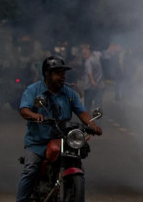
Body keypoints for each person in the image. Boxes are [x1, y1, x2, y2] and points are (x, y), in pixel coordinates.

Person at [16, 56, 102, 202]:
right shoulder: (33, 90)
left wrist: (92, 125)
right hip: (38, 143)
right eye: (58, 73)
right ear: (47, 74)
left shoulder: (69, 93)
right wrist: (34, 115)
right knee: (30, 169)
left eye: (63, 73)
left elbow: (81, 112)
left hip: (63, 140)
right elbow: (24, 110)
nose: (62, 77)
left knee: (79, 169)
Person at [81, 44, 105, 110]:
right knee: (98, 104)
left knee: (87, 105)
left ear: (89, 52)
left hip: (90, 87)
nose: (83, 56)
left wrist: (92, 81)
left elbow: (90, 72)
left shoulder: (88, 61)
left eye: (84, 54)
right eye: (82, 54)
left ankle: (87, 116)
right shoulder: (96, 58)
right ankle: (98, 116)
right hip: (99, 85)